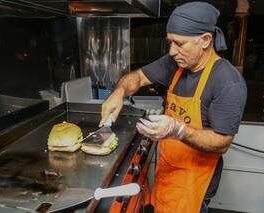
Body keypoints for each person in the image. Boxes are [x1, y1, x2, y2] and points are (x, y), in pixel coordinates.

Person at [99, 2, 247, 213]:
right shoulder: (175, 63)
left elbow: (222, 142)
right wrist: (119, 92)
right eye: (170, 42)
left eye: (179, 43)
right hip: (168, 171)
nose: (172, 51)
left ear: (205, 40)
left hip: (194, 184)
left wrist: (178, 130)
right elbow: (138, 77)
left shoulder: (227, 81)